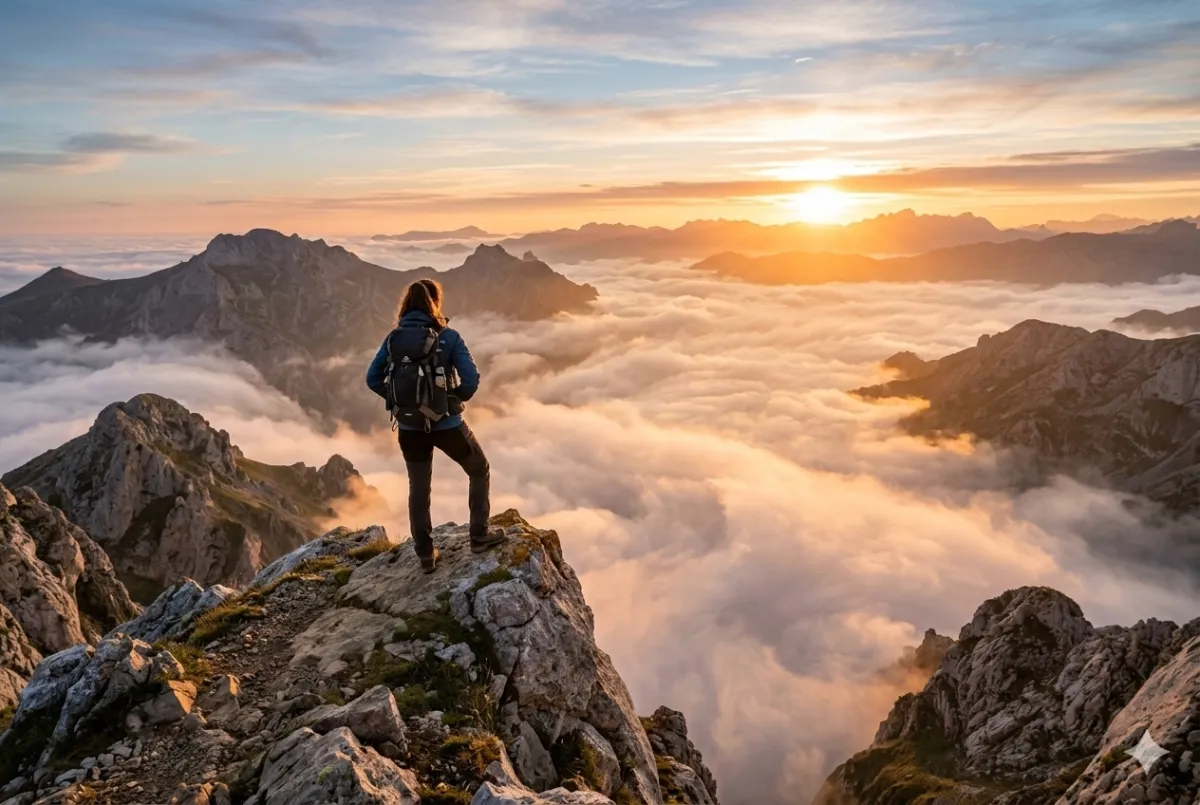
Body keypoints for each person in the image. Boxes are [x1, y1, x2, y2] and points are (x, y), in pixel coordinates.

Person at [366, 278, 505, 573]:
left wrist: (399, 404)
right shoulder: (449, 337)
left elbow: (373, 378)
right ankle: (479, 536)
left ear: (406, 305)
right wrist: (451, 400)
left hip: (409, 428)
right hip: (447, 424)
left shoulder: (393, 339)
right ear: (435, 303)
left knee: (419, 488)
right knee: (479, 469)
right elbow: (471, 379)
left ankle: (425, 555)